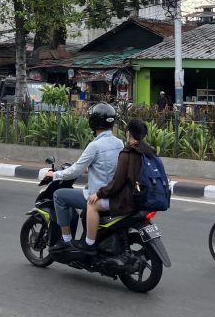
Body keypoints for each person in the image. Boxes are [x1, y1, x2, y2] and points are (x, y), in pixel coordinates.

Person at [46, 102, 123, 252]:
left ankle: (66, 240)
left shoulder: (95, 146)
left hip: (96, 195)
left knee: (58, 195)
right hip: (113, 193)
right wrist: (93, 169)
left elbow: (75, 171)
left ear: (92, 122)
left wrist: (55, 174)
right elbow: (110, 166)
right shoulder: (119, 142)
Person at [83, 118, 151, 250]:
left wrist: (99, 193)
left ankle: (89, 244)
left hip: (128, 200)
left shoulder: (127, 153)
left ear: (129, 133)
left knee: (91, 204)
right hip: (144, 198)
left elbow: (117, 182)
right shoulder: (149, 152)